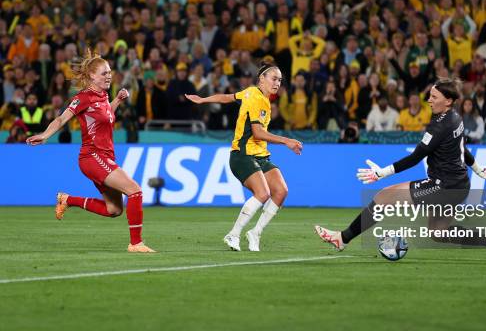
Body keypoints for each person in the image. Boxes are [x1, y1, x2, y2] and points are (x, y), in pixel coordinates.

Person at [315, 78, 486, 254]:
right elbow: (461, 148)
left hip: (443, 186)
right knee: (438, 233)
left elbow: (415, 158)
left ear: (448, 101)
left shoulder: (440, 125)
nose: (429, 100)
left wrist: (382, 173)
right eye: (429, 95)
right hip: (459, 185)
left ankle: (343, 238)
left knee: (384, 196)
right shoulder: (455, 117)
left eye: (434, 97)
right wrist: (479, 169)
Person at [26, 49, 155, 253]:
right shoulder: (83, 98)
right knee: (135, 191)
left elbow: (104, 116)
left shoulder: (103, 96)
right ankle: (136, 243)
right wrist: (45, 135)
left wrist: (118, 101)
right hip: (92, 156)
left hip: (104, 156)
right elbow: (61, 118)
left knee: (114, 210)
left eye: (110, 72)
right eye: (104, 73)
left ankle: (68, 199)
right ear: (91, 76)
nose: (109, 76)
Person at [185, 63, 303, 252]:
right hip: (242, 154)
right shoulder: (256, 99)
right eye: (274, 78)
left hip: (260, 155)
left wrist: (203, 99)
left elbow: (228, 97)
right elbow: (257, 132)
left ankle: (255, 233)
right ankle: (233, 234)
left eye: (280, 80)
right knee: (263, 194)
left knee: (281, 191)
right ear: (262, 78)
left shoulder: (251, 93)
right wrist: (287, 141)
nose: (277, 83)